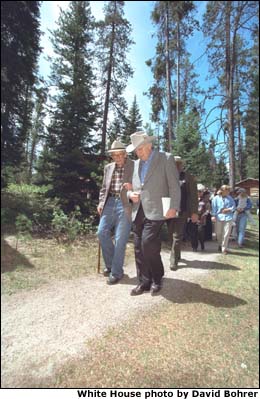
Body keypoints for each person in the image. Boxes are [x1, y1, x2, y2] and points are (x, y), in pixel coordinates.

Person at [125, 131, 181, 295]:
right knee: (138, 247)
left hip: (158, 209)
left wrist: (174, 206)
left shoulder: (166, 158)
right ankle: (144, 281)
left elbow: (174, 185)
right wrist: (130, 195)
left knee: (148, 243)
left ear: (149, 145)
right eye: (135, 150)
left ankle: (157, 278)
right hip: (138, 210)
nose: (137, 153)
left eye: (140, 149)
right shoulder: (135, 164)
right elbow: (130, 186)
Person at [97, 140, 134, 284]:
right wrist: (101, 202)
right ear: (111, 156)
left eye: (120, 154)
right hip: (109, 202)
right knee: (101, 232)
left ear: (125, 154)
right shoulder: (108, 168)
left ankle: (116, 272)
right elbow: (103, 188)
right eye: (114, 155)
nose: (117, 157)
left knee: (120, 239)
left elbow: (140, 184)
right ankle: (111, 265)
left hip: (126, 204)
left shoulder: (134, 165)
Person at [167, 156, 198, 270]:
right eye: (174, 163)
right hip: (168, 209)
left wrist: (194, 212)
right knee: (170, 235)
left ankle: (173, 260)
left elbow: (193, 196)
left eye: (178, 163)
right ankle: (177, 253)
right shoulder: (167, 176)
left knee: (177, 235)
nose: (176, 165)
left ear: (181, 165)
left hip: (183, 210)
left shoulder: (188, 177)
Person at [211, 185, 236, 255]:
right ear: (222, 191)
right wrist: (213, 216)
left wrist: (228, 209)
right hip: (219, 217)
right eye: (227, 191)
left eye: (228, 191)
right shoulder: (215, 198)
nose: (228, 192)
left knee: (226, 234)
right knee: (218, 233)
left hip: (228, 217)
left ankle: (224, 248)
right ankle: (220, 244)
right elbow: (213, 208)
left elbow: (234, 207)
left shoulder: (230, 198)